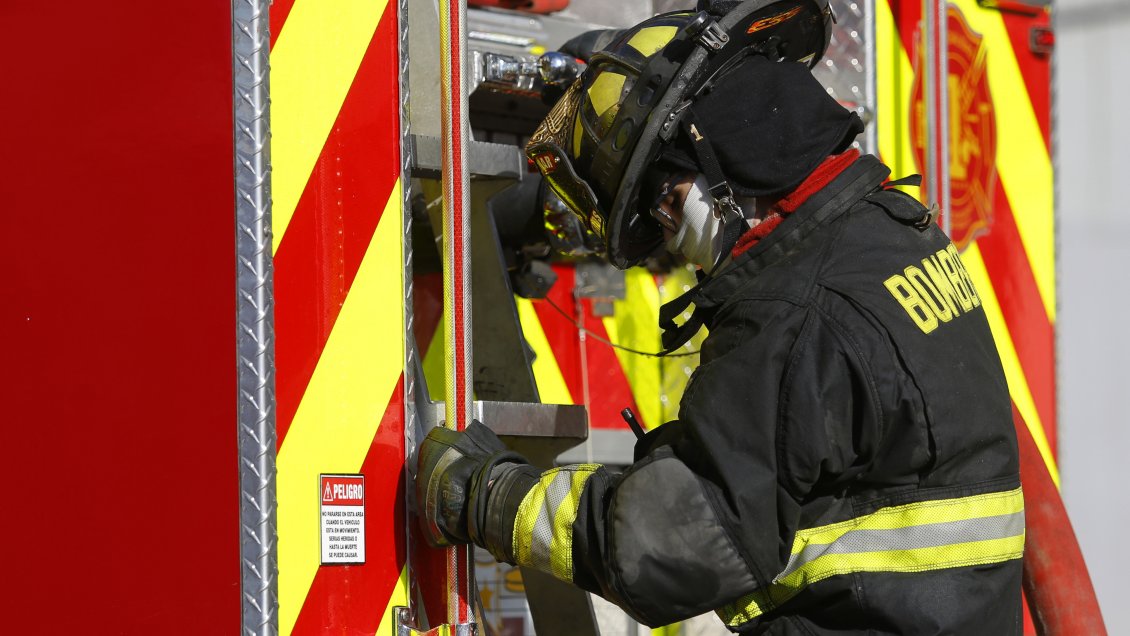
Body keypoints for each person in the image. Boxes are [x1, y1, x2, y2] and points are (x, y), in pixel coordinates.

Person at [417, 1, 1024, 633]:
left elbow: (669, 544)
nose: (670, 236)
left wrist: (486, 495)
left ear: (729, 158)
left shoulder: (791, 313)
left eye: (666, 201)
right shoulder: (891, 232)